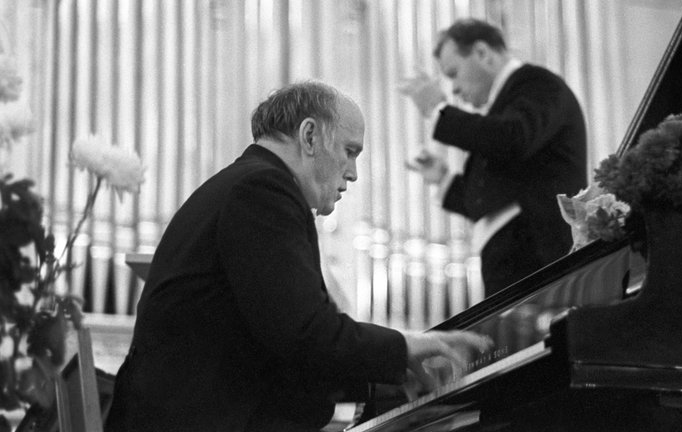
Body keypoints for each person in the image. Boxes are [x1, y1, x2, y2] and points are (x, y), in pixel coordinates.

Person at [105, 82, 492, 432]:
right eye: (349, 151)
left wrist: (387, 374)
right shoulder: (262, 190)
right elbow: (305, 334)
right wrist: (404, 348)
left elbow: (277, 350)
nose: (353, 174)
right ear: (309, 136)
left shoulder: (245, 184)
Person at [400, 19, 587, 297]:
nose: (455, 90)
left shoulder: (537, 84)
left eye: (454, 73)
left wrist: (438, 110)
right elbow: (493, 198)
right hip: (513, 257)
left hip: (537, 258)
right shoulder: (504, 109)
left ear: (482, 53)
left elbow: (513, 138)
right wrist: (442, 178)